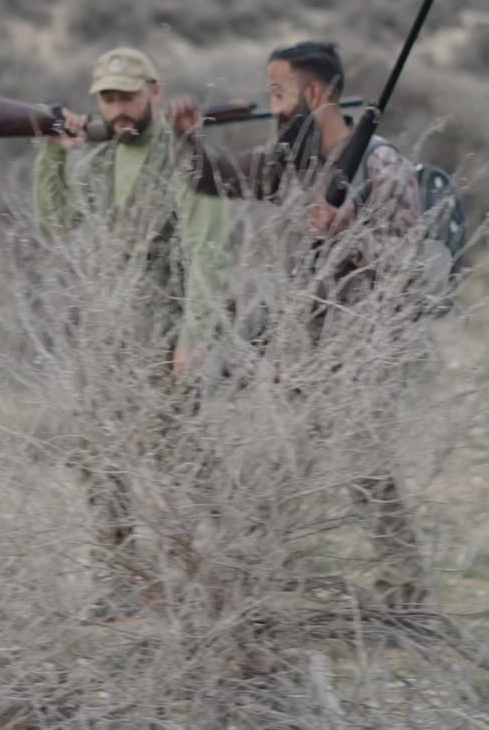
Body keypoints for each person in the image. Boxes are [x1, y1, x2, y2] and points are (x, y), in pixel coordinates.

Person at [168, 40, 428, 607]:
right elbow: (212, 177)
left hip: (360, 351)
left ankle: (406, 595)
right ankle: (260, 586)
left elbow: (411, 264)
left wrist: (348, 233)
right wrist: (187, 136)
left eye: (278, 94)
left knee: (366, 473)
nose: (273, 107)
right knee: (277, 464)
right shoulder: (292, 161)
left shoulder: (383, 165)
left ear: (312, 94)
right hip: (300, 351)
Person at [34, 46, 228, 575]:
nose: (118, 109)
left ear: (155, 94)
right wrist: (54, 154)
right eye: (109, 99)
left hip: (165, 334)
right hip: (110, 335)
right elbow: (57, 222)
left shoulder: (184, 156)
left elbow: (210, 251)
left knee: (178, 461)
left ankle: (222, 559)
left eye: (129, 98)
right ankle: (117, 575)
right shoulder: (99, 158)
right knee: (96, 457)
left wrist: (193, 337)